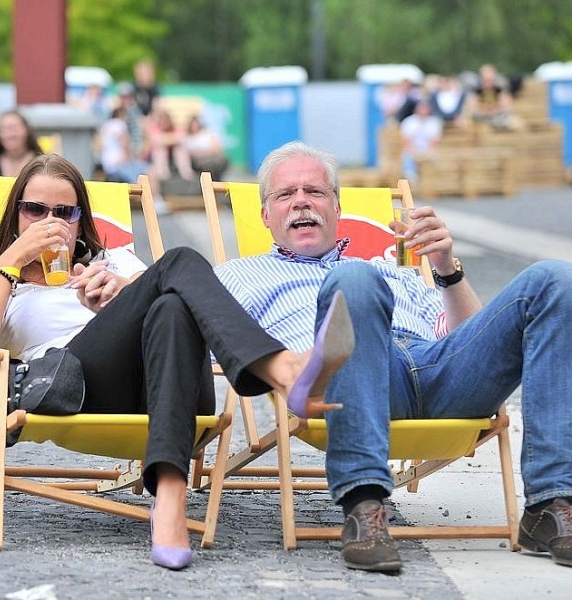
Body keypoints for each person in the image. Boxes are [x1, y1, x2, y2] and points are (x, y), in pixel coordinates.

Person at [0, 153, 355, 571]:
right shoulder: (3, 284)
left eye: (64, 212)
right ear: (16, 215)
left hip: (166, 390)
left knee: (171, 307)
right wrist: (13, 259)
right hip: (78, 391)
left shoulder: (115, 262)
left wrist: (121, 293)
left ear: (80, 219)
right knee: (180, 260)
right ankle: (279, 372)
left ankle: (170, 496)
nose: (49, 222)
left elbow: (168, 302)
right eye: (34, 210)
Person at [215, 140, 572, 573]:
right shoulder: (236, 276)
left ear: (337, 207)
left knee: (554, 278)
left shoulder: (391, 270)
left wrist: (446, 267)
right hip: (348, 381)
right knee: (354, 279)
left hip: (438, 372)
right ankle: (364, 506)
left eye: (315, 192)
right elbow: (211, 341)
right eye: (285, 194)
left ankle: (550, 505)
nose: (301, 202)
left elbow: (469, 342)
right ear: (265, 216)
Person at [0, 110, 43, 177]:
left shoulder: (40, 162)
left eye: (14, 128)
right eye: (3, 129)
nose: (9, 134)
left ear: (26, 130)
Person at [399, 99, 443, 181]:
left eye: (425, 108)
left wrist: (427, 152)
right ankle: (412, 179)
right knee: (407, 158)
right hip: (412, 149)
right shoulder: (409, 122)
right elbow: (406, 141)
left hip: (428, 149)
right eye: (421, 108)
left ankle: (432, 179)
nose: (423, 111)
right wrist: (414, 152)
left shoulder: (434, 122)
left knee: (435, 157)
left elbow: (435, 141)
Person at [145, 107, 195, 182]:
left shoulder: (175, 128)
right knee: (160, 150)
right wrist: (170, 139)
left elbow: (180, 138)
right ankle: (162, 175)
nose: (163, 123)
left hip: (173, 156)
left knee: (180, 150)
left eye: (165, 121)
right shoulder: (155, 128)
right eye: (162, 120)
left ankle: (186, 173)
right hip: (154, 158)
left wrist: (166, 139)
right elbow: (156, 140)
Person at [182, 114, 229, 181]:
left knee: (220, 160)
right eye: (193, 124)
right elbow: (188, 152)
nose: (194, 126)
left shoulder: (206, 134)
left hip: (212, 158)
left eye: (196, 124)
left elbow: (215, 148)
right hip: (198, 161)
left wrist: (201, 152)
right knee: (209, 165)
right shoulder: (187, 137)